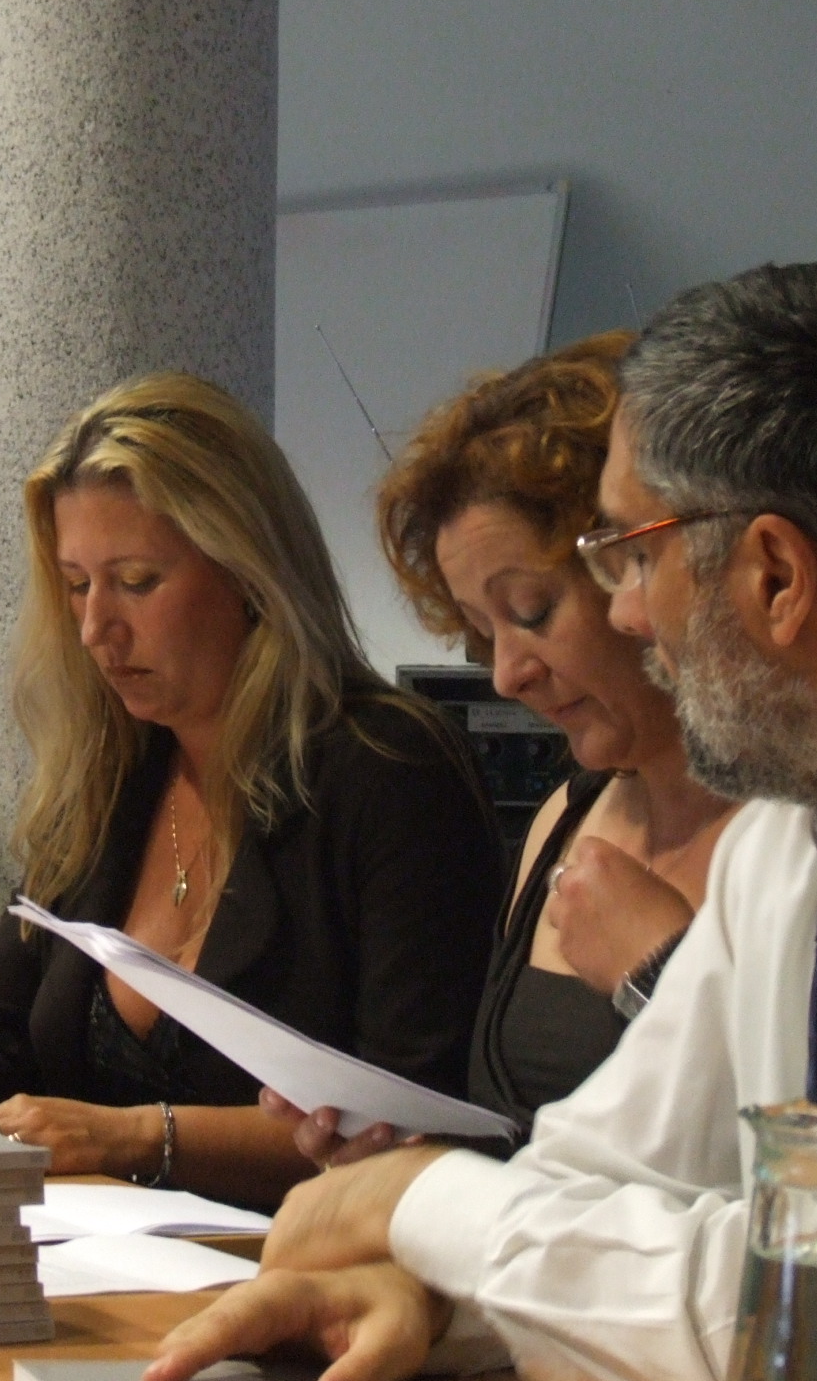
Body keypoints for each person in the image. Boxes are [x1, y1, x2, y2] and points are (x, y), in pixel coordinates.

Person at [150, 263, 817, 1381]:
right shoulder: (797, 829)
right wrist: (426, 1293)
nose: (625, 612)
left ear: (775, 574)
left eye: (631, 556)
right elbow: (608, 1174)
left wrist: (417, 1204)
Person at [0, 372, 504, 1209]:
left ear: (248, 571)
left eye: (136, 581)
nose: (96, 629)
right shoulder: (115, 772)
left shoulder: (390, 770)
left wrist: (134, 1137)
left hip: (309, 1263)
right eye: (77, 585)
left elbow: (414, 1119)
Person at [266, 334, 735, 1163]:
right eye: (483, 633)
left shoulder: (800, 837)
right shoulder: (564, 818)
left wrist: (661, 968)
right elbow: (520, 1139)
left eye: (532, 612)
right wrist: (403, 1147)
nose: (510, 674)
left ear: (642, 570)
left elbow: (800, 1148)